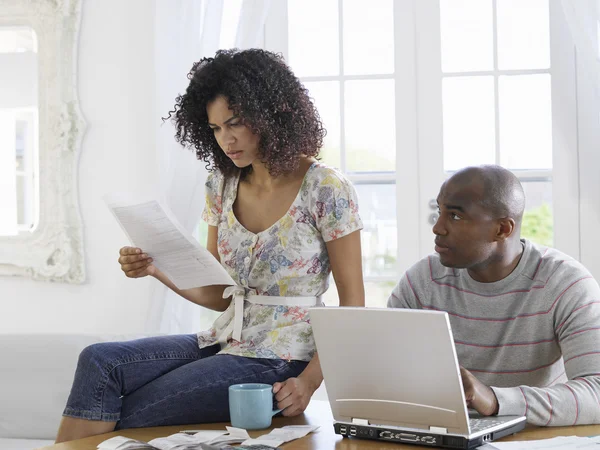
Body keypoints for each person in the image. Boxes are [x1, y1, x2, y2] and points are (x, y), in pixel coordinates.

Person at [56, 49, 364, 442]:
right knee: (100, 361)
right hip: (225, 338)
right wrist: (155, 269)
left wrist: (308, 382)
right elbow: (221, 294)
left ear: (272, 113)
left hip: (282, 357)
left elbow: (354, 305)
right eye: (215, 128)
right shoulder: (221, 185)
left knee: (132, 409)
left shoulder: (326, 188)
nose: (226, 139)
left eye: (235, 123)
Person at [388, 165, 600, 426]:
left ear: (502, 229)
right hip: (444, 433)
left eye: (454, 216)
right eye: (439, 211)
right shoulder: (421, 282)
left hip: (531, 438)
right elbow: (385, 375)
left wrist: (494, 399)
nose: (438, 228)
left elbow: (597, 393)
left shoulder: (565, 284)